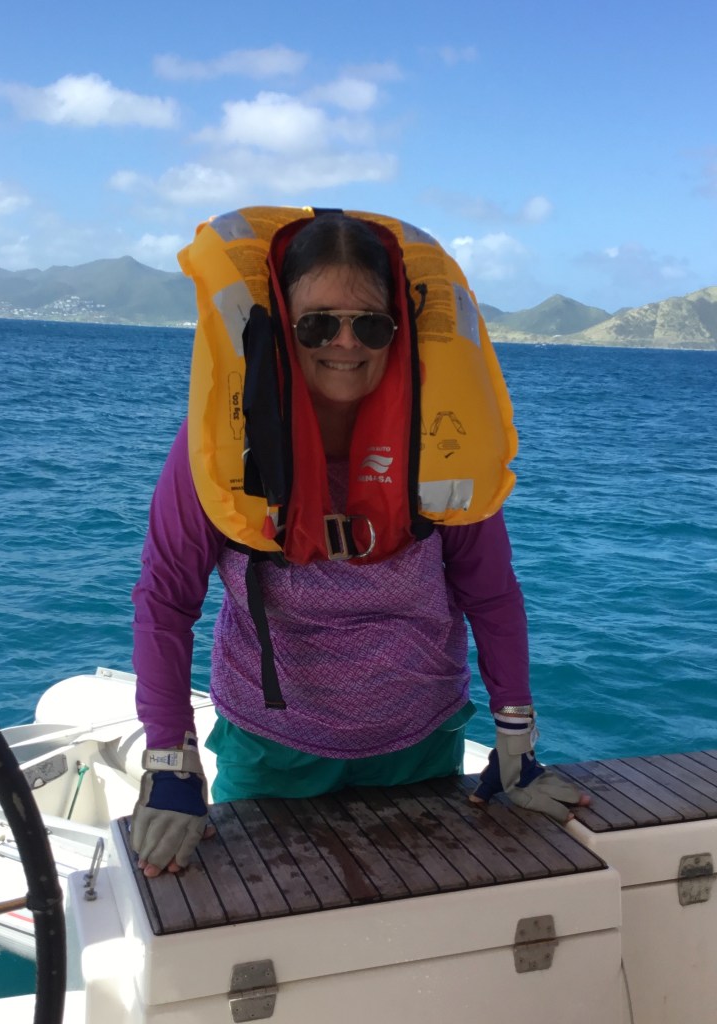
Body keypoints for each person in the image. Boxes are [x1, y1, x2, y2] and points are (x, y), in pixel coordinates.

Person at [130, 210, 587, 879]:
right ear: (280, 324)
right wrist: (170, 762)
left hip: (420, 745)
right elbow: (165, 601)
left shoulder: (440, 445)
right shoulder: (222, 449)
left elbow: (491, 594)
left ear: (399, 327)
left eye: (370, 324)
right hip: (272, 752)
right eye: (317, 323)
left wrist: (515, 740)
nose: (345, 343)